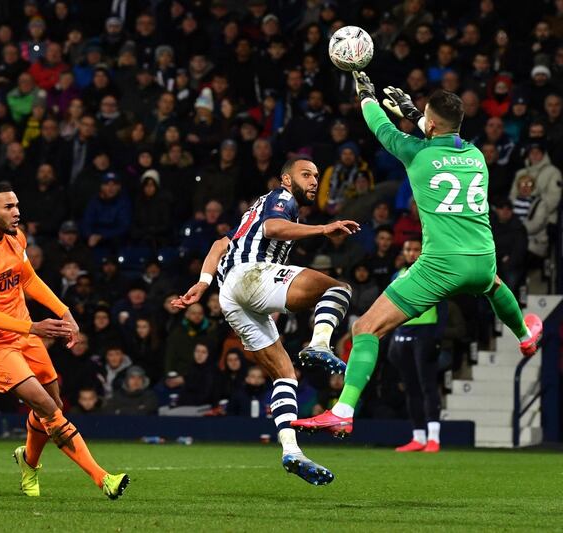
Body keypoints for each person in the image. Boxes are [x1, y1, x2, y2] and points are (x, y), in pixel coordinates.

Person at [293, 75, 542, 439]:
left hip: (441, 264)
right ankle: (523, 335)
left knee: (366, 329)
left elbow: (379, 125)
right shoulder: (475, 155)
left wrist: (365, 95)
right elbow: (444, 136)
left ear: (432, 123)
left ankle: (343, 410)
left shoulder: (417, 153)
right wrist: (413, 113)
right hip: (483, 258)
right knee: (493, 285)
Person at [173, 158, 360, 486]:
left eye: (317, 175)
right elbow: (273, 228)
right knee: (339, 289)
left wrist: (203, 284)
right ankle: (318, 343)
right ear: (287, 179)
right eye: (306, 175)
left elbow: (220, 244)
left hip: (231, 295)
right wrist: (323, 228)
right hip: (251, 275)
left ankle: (291, 450)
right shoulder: (281, 199)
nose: (314, 181)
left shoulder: (254, 211)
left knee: (285, 374)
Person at [0, 182, 128, 500]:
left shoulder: (16, 237)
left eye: (17, 205)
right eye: (9, 207)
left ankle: (28, 462)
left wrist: (64, 311)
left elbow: (28, 278)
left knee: (54, 405)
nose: (17, 212)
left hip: (23, 332)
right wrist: (33, 327)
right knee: (46, 406)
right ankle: (103, 478)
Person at [387, 237, 443, 453]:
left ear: (423, 251)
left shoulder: (433, 273)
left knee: (428, 385)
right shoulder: (397, 275)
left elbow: (444, 306)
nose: (411, 253)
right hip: (402, 333)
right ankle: (418, 436)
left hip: (426, 333)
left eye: (415, 249)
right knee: (411, 388)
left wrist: (437, 335)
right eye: (408, 249)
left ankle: (434, 438)